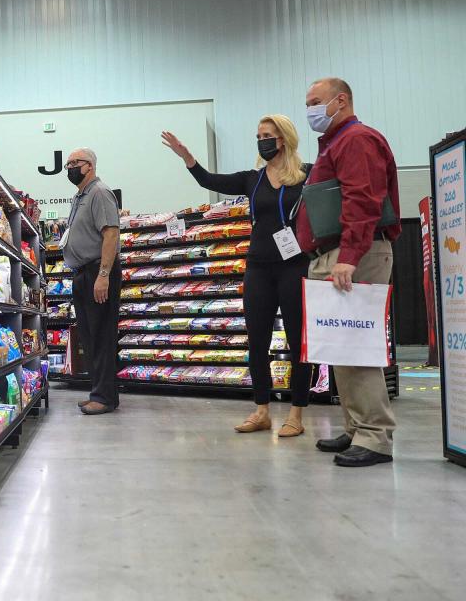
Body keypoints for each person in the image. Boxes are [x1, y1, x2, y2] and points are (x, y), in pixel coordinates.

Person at [161, 115, 313, 437]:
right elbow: (208, 180)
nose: (262, 141)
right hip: (258, 266)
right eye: (258, 135)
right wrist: (188, 158)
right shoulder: (252, 179)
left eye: (267, 135)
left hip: (294, 265)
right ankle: (262, 410)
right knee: (257, 340)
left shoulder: (305, 175)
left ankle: (296, 414)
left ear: (283, 139)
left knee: (299, 340)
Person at [298, 77, 400, 467]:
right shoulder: (336, 143)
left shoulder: (356, 139)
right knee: (341, 346)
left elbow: (363, 198)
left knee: (356, 347)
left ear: (341, 101)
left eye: (315, 102)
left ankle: (375, 436)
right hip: (337, 251)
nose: (310, 109)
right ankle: (357, 427)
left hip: (353, 252)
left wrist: (350, 255)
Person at [62, 148, 121, 415]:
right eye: (68, 163)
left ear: (90, 166)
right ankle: (99, 392)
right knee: (89, 337)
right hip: (83, 273)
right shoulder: (80, 196)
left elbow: (110, 235)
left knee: (102, 335)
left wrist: (104, 275)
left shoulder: (99, 193)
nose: (70, 167)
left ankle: (105, 398)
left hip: (98, 271)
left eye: (75, 163)